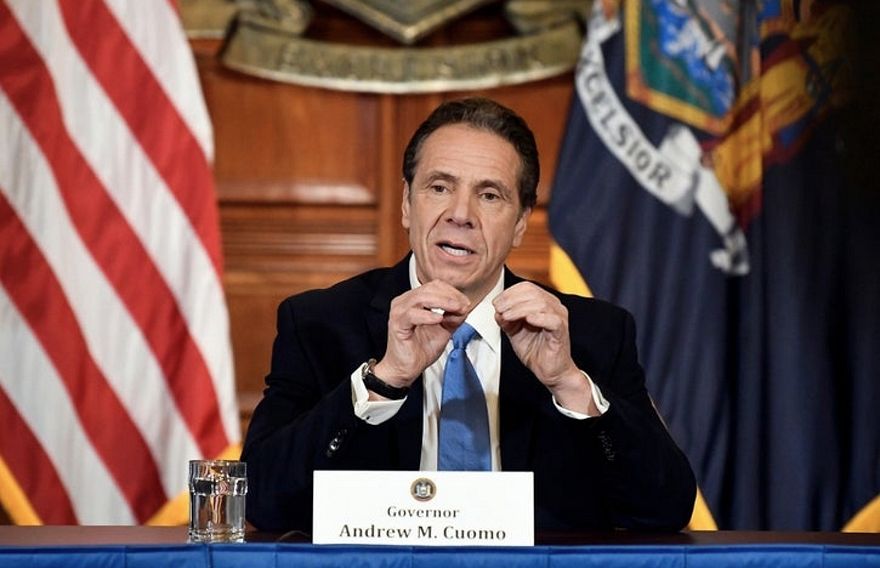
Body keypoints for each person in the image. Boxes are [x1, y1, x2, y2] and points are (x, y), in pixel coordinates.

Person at [242, 97, 696, 533]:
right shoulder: (319, 324)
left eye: (490, 195)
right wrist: (385, 379)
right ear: (407, 203)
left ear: (520, 223)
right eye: (440, 188)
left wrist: (569, 384)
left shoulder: (593, 335)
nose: (460, 214)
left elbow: (664, 510)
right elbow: (262, 501)